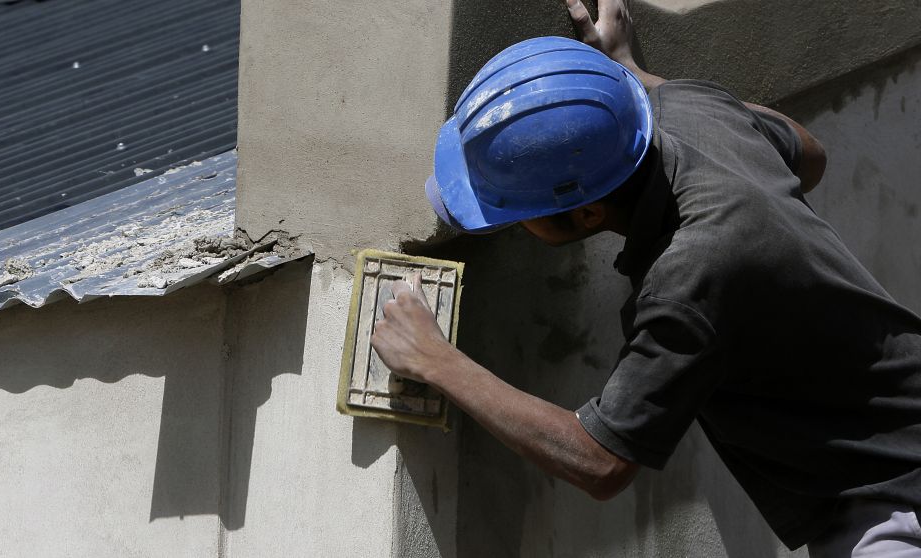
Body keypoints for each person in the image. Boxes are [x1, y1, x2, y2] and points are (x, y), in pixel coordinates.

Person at [369, 0, 921, 556]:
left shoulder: (688, 280)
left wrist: (437, 362)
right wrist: (626, 77)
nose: (511, 223)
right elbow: (811, 155)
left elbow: (600, 461)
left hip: (894, 498)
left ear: (587, 214)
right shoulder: (687, 103)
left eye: (515, 211)